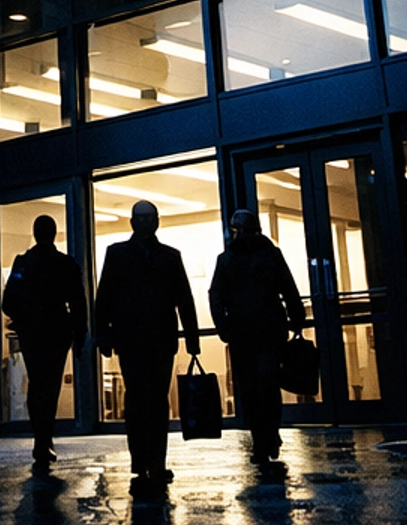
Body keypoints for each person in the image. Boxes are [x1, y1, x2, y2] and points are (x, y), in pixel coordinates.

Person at [93, 200, 200, 495]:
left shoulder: (119, 254)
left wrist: (104, 335)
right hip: (153, 338)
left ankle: (144, 460)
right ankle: (152, 460)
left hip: (138, 339)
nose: (144, 225)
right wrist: (191, 337)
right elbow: (183, 298)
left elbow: (105, 298)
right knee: (151, 399)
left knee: (142, 399)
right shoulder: (166, 256)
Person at [208, 207, 307, 478]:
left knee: (260, 385)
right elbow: (288, 287)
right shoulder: (260, 256)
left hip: (254, 330)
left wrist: (224, 325)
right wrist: (296, 317)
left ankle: (265, 438)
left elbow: (216, 294)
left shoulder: (231, 259)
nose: (241, 234)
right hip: (257, 329)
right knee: (259, 387)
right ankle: (265, 437)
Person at [1, 214, 87, 473]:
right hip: (58, 331)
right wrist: (80, 334)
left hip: (31, 331)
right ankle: (45, 437)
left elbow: (8, 301)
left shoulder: (22, 264)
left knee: (37, 384)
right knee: (51, 384)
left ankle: (40, 438)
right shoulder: (66, 264)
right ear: (54, 233)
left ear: (35, 234)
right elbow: (79, 302)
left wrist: (23, 318)